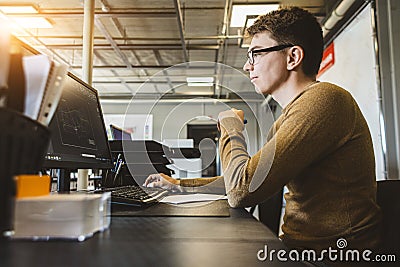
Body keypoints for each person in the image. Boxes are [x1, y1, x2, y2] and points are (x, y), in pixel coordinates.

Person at [144, 6, 382, 264]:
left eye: (256, 54)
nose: (247, 66)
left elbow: (241, 190)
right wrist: (178, 186)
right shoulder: (290, 116)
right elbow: (248, 178)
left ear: (293, 57)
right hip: (301, 252)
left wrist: (231, 128)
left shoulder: (325, 100)